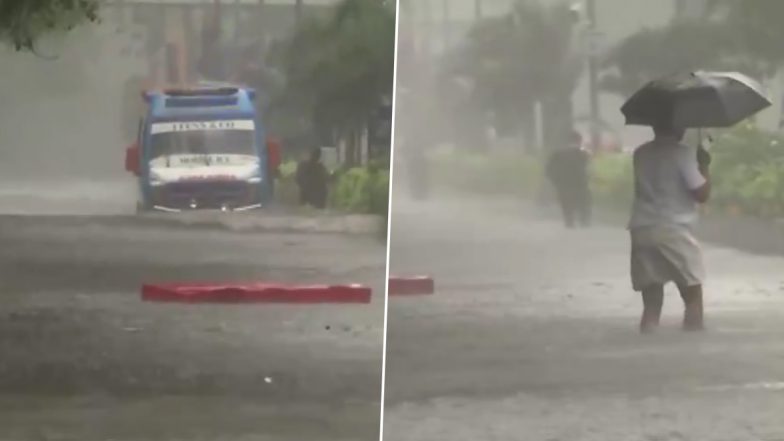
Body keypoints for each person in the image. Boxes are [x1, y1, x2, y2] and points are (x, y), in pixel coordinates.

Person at [629, 124, 711, 333]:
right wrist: (704, 166)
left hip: (641, 228)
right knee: (692, 292)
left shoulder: (640, 153)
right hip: (673, 228)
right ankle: (693, 343)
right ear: (679, 127)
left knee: (651, 300)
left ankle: (648, 339)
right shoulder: (683, 153)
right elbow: (700, 194)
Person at [545, 130, 592, 228]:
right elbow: (588, 169)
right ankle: (584, 221)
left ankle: (569, 222)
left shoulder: (558, 153)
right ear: (579, 141)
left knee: (566, 204)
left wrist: (555, 181)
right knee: (583, 203)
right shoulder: (583, 154)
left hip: (563, 185)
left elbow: (549, 169)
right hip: (580, 184)